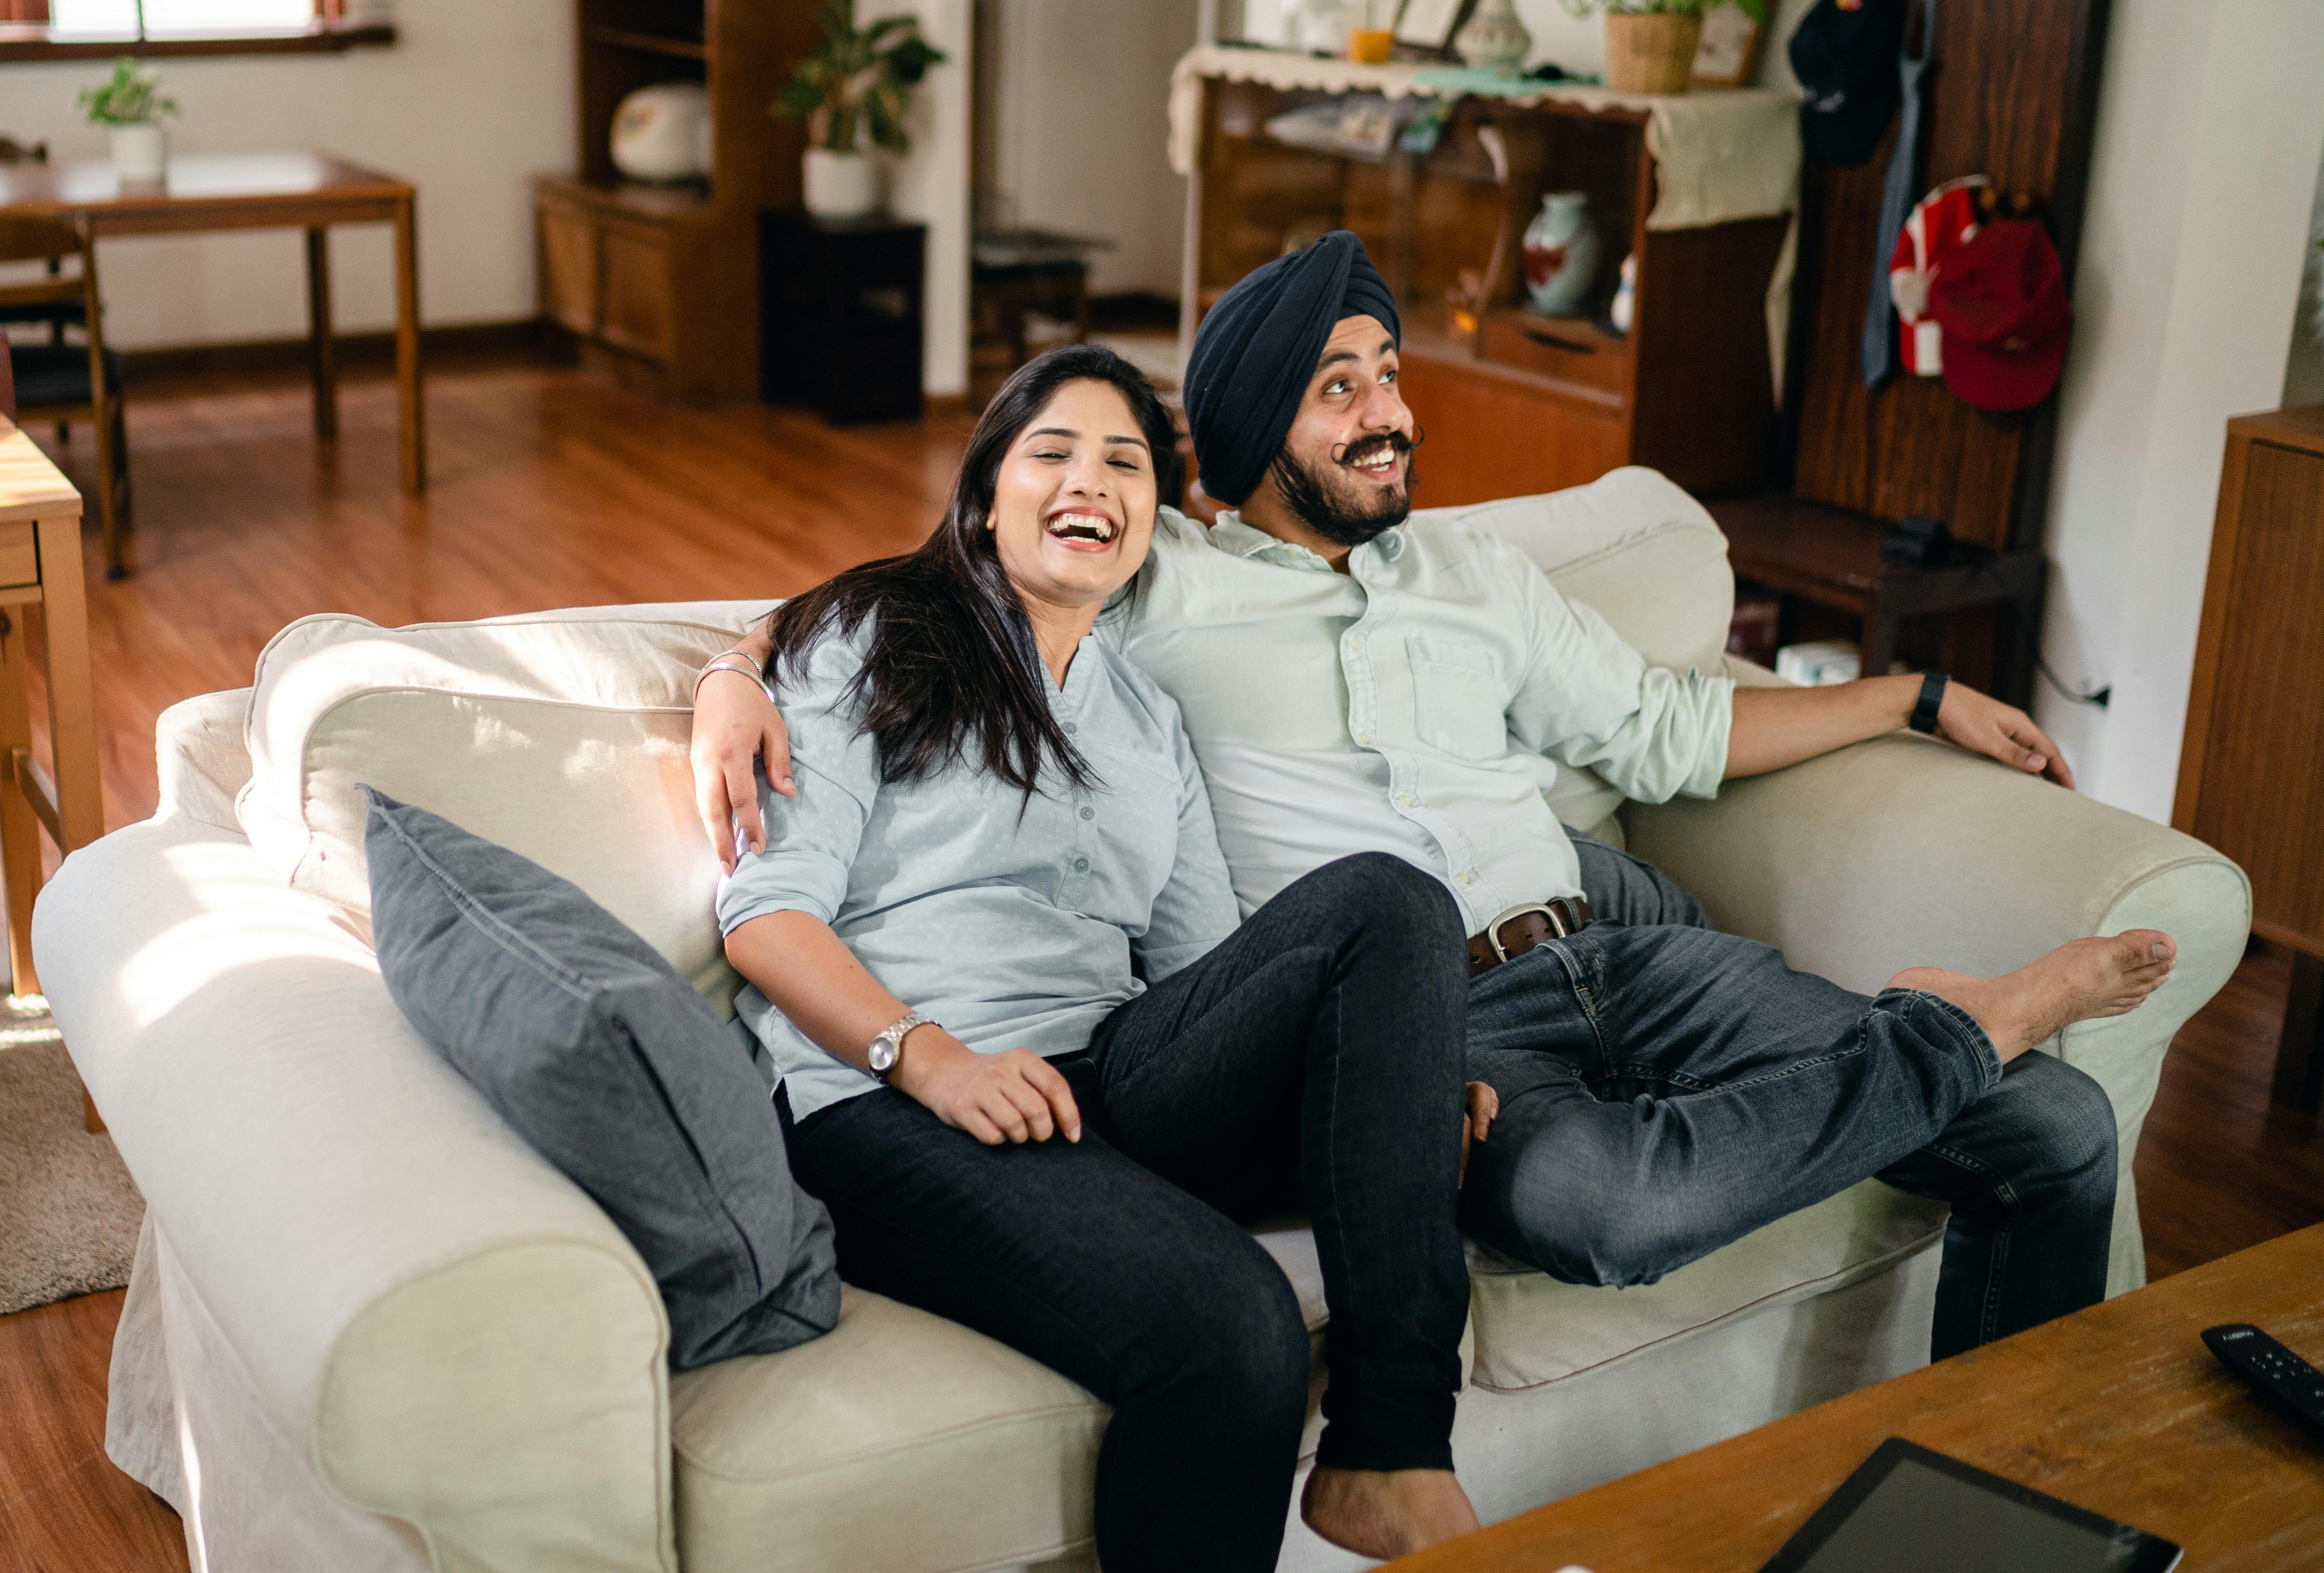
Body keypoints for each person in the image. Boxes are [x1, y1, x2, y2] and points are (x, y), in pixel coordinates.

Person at [696, 232, 2179, 1550]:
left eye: (1389, 377)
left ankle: (2012, 1527)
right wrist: (729, 670)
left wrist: (1913, 694)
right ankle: (1926, 1041)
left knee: (2057, 1126)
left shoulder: (1407, 605)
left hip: (1587, 957)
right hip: (1385, 1022)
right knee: (1562, 1171)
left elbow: (1663, 735)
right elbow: (914, 597)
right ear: (1248, 427)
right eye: (1339, 385)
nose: (1391, 412)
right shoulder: (1152, 589)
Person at [715, 342, 1490, 1573]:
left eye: (1126, 461)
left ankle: (1391, 1449)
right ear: (981, 495)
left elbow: (1202, 980)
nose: (1094, 481)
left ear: (1153, 520)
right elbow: (764, 917)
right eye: (1054, 452)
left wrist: (1387, 1068)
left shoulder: (1146, 716)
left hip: (1100, 1077)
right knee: (1239, 1328)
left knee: (1398, 908)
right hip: (885, 1102)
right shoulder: (877, 632)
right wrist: (928, 1058)